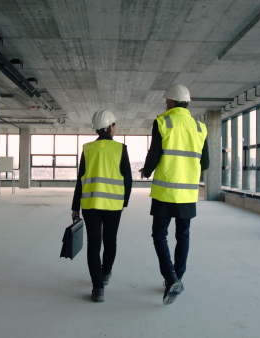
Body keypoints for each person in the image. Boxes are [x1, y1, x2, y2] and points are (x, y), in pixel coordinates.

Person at [140, 83, 209, 305]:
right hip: (188, 193)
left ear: (170, 102)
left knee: (159, 234)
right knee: (183, 235)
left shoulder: (163, 121)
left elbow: (154, 153)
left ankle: (170, 277)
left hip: (165, 191)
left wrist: (146, 170)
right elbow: (205, 163)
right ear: (186, 103)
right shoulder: (200, 127)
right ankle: (178, 277)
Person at [71, 109, 133, 303]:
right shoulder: (120, 149)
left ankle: (98, 289)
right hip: (114, 205)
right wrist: (124, 202)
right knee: (110, 241)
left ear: (97, 129)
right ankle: (105, 274)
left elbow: (80, 180)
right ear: (111, 127)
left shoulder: (87, 149)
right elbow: (128, 179)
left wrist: (75, 207)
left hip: (90, 204)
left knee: (94, 245)